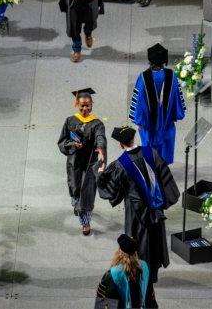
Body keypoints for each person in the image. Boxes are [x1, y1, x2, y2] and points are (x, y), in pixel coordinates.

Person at [97, 126, 180, 283]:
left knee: (138, 242)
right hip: (155, 209)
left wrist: (100, 172)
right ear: (134, 139)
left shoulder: (121, 165)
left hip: (135, 213)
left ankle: (140, 275)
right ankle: (153, 275)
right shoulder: (152, 153)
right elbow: (165, 180)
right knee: (154, 240)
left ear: (121, 144)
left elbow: (112, 190)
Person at [57, 88, 106, 235]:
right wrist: (72, 144)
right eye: (82, 105)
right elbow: (62, 141)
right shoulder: (70, 121)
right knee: (75, 190)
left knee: (87, 195)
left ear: (92, 105)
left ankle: (85, 222)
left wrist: (101, 148)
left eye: (88, 105)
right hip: (74, 163)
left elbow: (100, 137)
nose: (85, 109)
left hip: (90, 164)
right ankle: (76, 203)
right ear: (77, 105)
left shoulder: (97, 123)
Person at [129, 43, 186, 164]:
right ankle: (163, 172)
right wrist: (175, 114)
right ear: (164, 61)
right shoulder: (171, 76)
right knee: (165, 150)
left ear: (150, 61)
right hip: (167, 125)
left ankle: (152, 173)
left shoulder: (143, 77)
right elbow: (177, 100)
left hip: (149, 127)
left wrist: (139, 121)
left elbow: (138, 102)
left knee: (150, 155)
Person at [96, 234, 158, 308]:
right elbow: (150, 297)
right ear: (135, 252)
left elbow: (105, 302)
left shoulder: (112, 274)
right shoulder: (145, 267)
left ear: (119, 251)